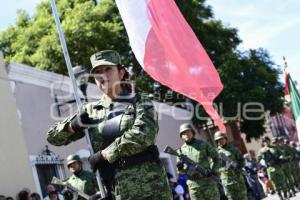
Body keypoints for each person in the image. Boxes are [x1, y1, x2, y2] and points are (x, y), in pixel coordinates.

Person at [47, 50, 172, 200]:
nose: (103, 75)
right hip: (115, 191)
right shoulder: (91, 110)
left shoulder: (140, 101)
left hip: (150, 189)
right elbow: (53, 138)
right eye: (98, 72)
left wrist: (104, 155)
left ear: (121, 72)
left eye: (108, 69)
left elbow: (143, 135)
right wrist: (72, 126)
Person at [177, 123, 221, 200]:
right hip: (193, 186)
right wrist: (180, 168)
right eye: (183, 133)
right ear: (181, 136)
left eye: (188, 132)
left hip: (207, 183)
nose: (186, 134)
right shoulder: (180, 151)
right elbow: (181, 173)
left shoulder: (203, 144)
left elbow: (217, 158)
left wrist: (213, 170)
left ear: (192, 132)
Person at [214, 131, 248, 200]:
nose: (221, 141)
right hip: (226, 180)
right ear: (216, 141)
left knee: (243, 197)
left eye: (222, 139)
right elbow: (214, 167)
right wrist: (224, 169)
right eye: (219, 140)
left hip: (237, 177)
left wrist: (239, 166)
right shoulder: (215, 153)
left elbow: (241, 160)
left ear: (225, 139)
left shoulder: (234, 149)